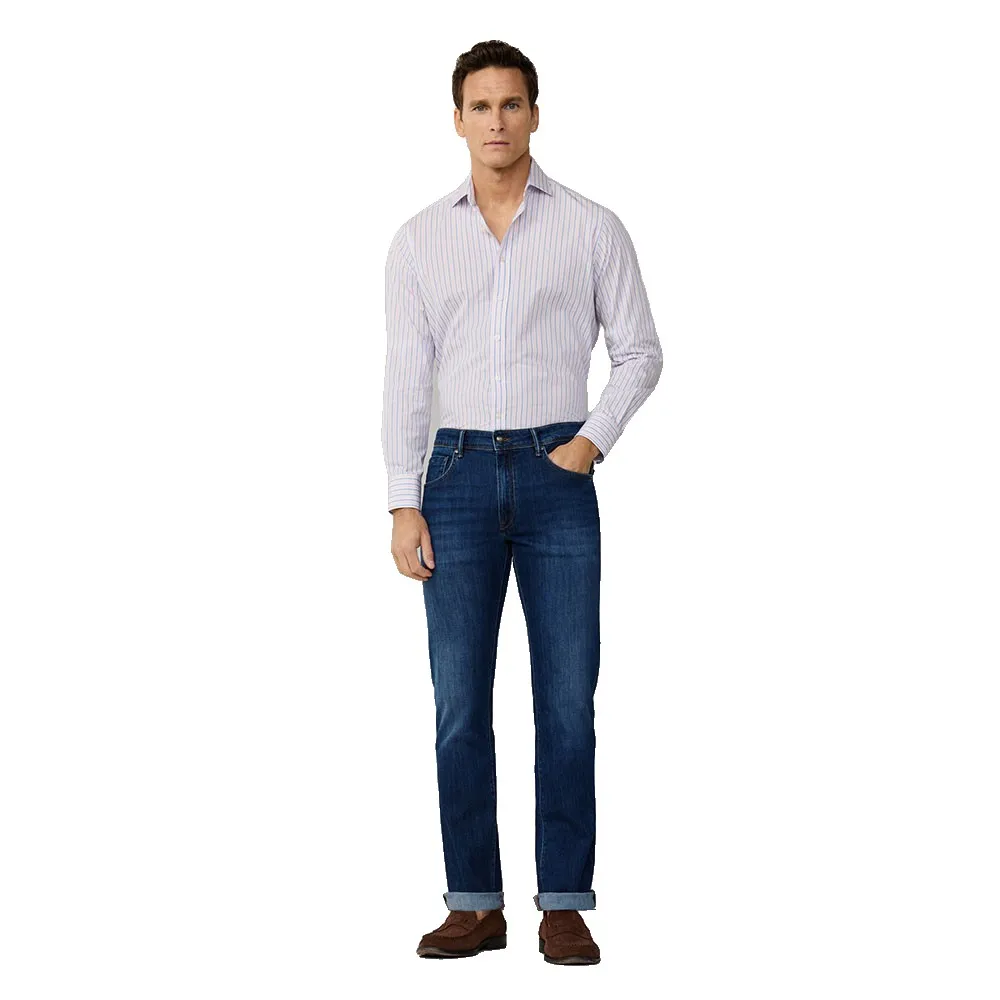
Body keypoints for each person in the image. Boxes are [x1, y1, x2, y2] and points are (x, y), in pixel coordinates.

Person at [382, 40, 662, 965]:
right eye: (481, 106)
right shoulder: (420, 239)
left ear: (535, 114)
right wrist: (403, 502)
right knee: (459, 704)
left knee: (567, 701)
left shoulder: (590, 227)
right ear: (457, 120)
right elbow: (406, 379)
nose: (496, 121)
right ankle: (474, 902)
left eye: (512, 104)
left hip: (557, 478)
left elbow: (641, 352)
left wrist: (589, 442)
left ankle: (563, 902)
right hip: (454, 478)